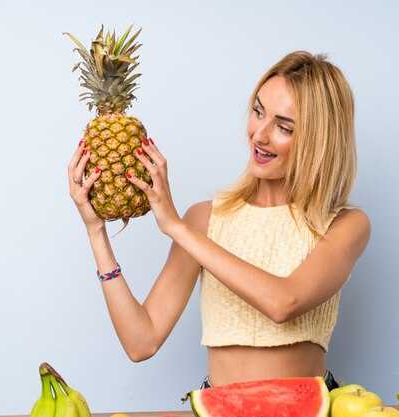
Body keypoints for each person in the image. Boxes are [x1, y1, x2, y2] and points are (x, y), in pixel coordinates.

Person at [68, 51, 371, 391]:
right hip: (219, 405)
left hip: (309, 408)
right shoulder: (204, 219)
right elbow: (141, 343)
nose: (260, 135)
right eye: (258, 112)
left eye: (283, 127)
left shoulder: (346, 225)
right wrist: (96, 232)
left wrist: (177, 228)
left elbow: (283, 303)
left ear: (320, 141)